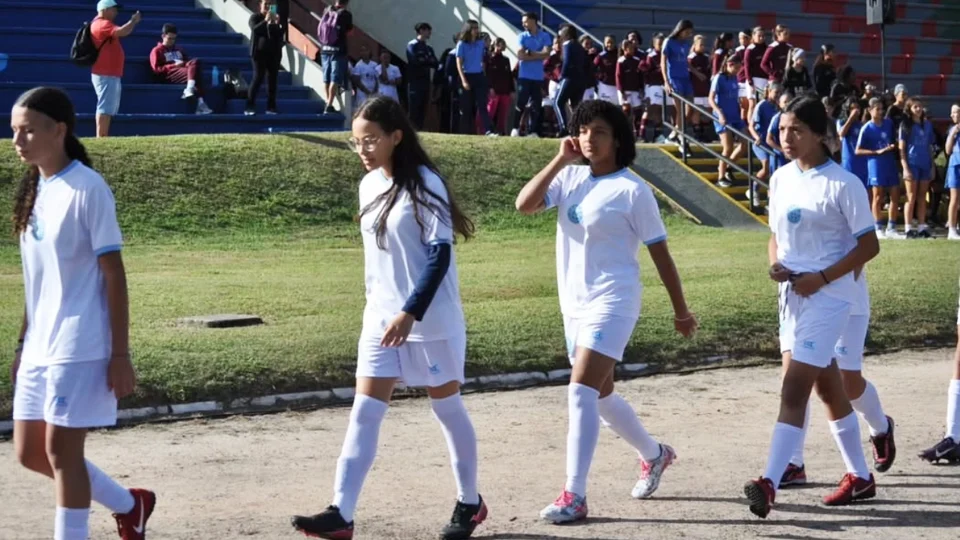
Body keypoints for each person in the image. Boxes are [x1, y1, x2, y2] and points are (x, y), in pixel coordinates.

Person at [290, 96, 487, 540]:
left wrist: (409, 313)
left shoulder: (426, 183)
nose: (363, 149)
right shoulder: (368, 186)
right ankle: (341, 512)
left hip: (429, 321)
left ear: (396, 137)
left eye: (371, 140)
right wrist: (387, 313)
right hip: (380, 320)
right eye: (356, 141)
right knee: (364, 411)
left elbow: (439, 256)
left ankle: (470, 502)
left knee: (447, 408)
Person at [515, 100, 697, 524]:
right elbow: (524, 204)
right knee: (601, 395)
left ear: (617, 139)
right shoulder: (570, 177)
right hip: (574, 304)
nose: (588, 138)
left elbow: (662, 257)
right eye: (582, 130)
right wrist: (560, 158)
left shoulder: (633, 191)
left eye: (598, 131)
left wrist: (681, 310)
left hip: (614, 301)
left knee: (579, 391)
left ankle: (573, 495)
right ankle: (654, 454)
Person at [9, 86, 156, 540]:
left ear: (60, 130)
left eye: (28, 131)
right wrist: (22, 344)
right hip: (40, 345)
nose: (18, 141)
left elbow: (114, 273)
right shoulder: (35, 189)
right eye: (14, 131)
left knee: (61, 453)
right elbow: (39, 283)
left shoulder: (88, 189)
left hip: (80, 342)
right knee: (30, 453)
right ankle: (131, 505)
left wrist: (120, 354)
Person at [744, 95, 881, 519]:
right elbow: (774, 237)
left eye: (796, 130)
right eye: (783, 129)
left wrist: (820, 278)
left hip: (831, 297)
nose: (786, 137)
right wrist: (775, 265)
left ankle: (769, 481)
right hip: (791, 297)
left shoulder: (844, 183)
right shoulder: (781, 178)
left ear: (820, 135)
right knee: (825, 388)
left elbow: (869, 245)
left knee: (794, 388)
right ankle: (860, 476)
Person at [90, 0, 141, 138]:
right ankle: (101, 137)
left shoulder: (101, 23)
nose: (116, 12)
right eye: (113, 9)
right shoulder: (102, 23)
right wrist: (133, 21)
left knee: (107, 107)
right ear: (105, 10)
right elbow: (122, 31)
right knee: (105, 108)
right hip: (105, 73)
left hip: (109, 73)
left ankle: (103, 135)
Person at [856, 97, 903, 239]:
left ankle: (892, 227)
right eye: (877, 109)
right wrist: (876, 152)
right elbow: (858, 151)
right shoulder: (867, 128)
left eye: (882, 109)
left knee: (895, 194)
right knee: (878, 196)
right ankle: (878, 228)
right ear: (870, 110)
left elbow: (892, 139)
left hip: (889, 162)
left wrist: (892, 146)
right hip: (876, 164)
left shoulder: (888, 123)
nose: (881, 112)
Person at [149, 24, 213, 115]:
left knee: (196, 63)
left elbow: (187, 62)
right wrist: (173, 65)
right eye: (169, 38)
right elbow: (156, 69)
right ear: (163, 36)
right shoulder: (156, 50)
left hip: (183, 71)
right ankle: (200, 103)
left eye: (174, 39)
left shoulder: (179, 49)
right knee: (195, 74)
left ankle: (191, 91)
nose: (172, 41)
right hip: (169, 75)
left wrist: (185, 63)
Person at [511, 12, 553, 138]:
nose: (523, 24)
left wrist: (531, 54)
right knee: (521, 102)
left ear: (534, 21)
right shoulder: (522, 36)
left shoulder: (545, 36)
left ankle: (533, 131)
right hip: (524, 76)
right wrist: (538, 55)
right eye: (523, 22)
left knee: (536, 104)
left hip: (538, 77)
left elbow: (547, 54)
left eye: (525, 21)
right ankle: (515, 128)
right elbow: (520, 55)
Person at [899, 97, 935, 238]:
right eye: (915, 107)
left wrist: (932, 166)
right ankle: (908, 228)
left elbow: (929, 146)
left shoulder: (927, 125)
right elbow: (901, 148)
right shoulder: (905, 125)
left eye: (920, 106)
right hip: (912, 163)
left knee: (922, 197)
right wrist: (905, 167)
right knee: (911, 196)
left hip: (924, 163)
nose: (918, 109)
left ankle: (921, 227)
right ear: (909, 109)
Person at [710, 53, 746, 189]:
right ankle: (721, 176)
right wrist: (720, 114)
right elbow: (711, 99)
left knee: (744, 143)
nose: (738, 71)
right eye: (736, 68)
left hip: (735, 115)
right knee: (728, 147)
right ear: (729, 65)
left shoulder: (734, 78)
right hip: (723, 116)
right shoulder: (719, 78)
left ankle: (728, 167)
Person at [454, 20, 496, 136]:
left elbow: (484, 58)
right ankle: (464, 132)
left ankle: (488, 130)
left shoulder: (480, 43)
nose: (476, 30)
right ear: (468, 29)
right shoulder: (461, 44)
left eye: (477, 28)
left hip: (479, 76)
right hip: (467, 76)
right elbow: (459, 63)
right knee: (466, 107)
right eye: (474, 28)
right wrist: (463, 80)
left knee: (482, 105)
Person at [246, 0, 285, 115]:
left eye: (271, 4)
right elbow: (255, 30)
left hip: (274, 54)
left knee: (272, 80)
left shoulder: (276, 19)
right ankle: (250, 105)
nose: (268, 7)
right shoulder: (255, 17)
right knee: (258, 77)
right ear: (260, 5)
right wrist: (266, 21)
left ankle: (271, 107)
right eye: (266, 4)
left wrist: (276, 23)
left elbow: (279, 35)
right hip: (259, 53)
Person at [662, 19, 695, 150]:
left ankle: (674, 133)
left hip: (685, 78)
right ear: (680, 30)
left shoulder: (686, 43)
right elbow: (663, 62)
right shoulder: (669, 42)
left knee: (690, 109)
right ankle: (681, 137)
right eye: (687, 32)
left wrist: (696, 73)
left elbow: (685, 62)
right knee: (680, 110)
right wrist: (666, 82)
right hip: (674, 79)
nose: (689, 35)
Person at [318, 0, 353, 114]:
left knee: (326, 78)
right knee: (335, 78)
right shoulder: (346, 14)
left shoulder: (327, 10)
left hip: (325, 49)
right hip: (339, 50)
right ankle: (329, 105)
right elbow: (349, 32)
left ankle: (328, 103)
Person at [554, 25, 588, 137]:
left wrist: (562, 76)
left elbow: (567, 61)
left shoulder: (567, 44)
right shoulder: (579, 46)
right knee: (575, 106)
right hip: (581, 79)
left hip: (569, 78)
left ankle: (563, 127)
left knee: (558, 102)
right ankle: (577, 130)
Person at [406, 22, 439, 130]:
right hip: (415, 81)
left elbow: (435, 63)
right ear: (421, 31)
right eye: (427, 30)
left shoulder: (429, 48)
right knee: (414, 108)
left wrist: (425, 60)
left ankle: (419, 131)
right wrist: (427, 61)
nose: (430, 33)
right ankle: (411, 131)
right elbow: (414, 61)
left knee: (423, 108)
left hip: (425, 81)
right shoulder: (412, 45)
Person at [750, 82, 782, 183]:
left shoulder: (778, 106)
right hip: (762, 142)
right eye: (776, 92)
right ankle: (754, 188)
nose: (778, 95)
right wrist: (756, 137)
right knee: (766, 165)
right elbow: (751, 126)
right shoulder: (761, 105)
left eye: (780, 93)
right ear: (769, 91)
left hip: (773, 141)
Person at [639, 33, 665, 143]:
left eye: (663, 43)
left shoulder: (665, 55)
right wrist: (659, 70)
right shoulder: (651, 56)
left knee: (658, 110)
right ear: (654, 44)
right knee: (651, 109)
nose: (661, 45)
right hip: (653, 85)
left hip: (662, 85)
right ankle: (642, 135)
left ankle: (657, 135)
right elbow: (647, 71)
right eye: (659, 44)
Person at [837, 97, 868, 187]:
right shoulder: (842, 122)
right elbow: (841, 134)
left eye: (857, 108)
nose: (856, 111)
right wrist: (850, 118)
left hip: (862, 160)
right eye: (852, 108)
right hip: (850, 159)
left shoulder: (861, 124)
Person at [486, 37, 514, 135]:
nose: (500, 47)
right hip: (494, 90)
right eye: (498, 45)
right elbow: (488, 74)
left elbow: (509, 76)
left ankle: (501, 131)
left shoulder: (506, 60)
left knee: (503, 113)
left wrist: (511, 90)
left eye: (502, 45)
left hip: (505, 90)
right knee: (490, 111)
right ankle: (487, 130)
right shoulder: (489, 59)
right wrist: (490, 87)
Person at [616, 39, 644, 136]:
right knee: (626, 111)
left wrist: (640, 88)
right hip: (625, 90)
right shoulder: (621, 61)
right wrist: (621, 90)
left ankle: (637, 132)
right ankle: (624, 132)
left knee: (638, 111)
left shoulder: (637, 60)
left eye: (632, 48)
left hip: (635, 90)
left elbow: (640, 75)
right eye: (629, 48)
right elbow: (618, 77)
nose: (631, 50)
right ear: (624, 49)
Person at [688, 34, 711, 140]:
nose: (703, 47)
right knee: (696, 111)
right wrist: (697, 73)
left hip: (705, 89)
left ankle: (703, 131)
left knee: (707, 112)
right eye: (700, 45)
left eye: (704, 45)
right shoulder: (691, 58)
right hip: (695, 89)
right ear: (695, 45)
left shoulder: (706, 57)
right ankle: (697, 133)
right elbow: (688, 70)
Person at [766, 91, 794, 175]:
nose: (787, 104)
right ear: (779, 103)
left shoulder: (795, 118)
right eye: (785, 102)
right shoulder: (777, 118)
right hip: (779, 157)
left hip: (791, 155)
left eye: (790, 101)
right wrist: (783, 151)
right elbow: (769, 139)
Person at [743, 26, 768, 120]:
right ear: (753, 36)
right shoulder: (750, 49)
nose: (761, 38)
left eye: (763, 36)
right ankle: (751, 127)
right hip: (753, 80)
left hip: (764, 80)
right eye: (759, 35)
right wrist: (750, 81)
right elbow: (747, 66)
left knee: (762, 105)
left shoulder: (766, 48)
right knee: (752, 104)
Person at [943, 104, 960, 241]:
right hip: (955, 165)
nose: (952, 115)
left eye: (955, 112)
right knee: (954, 198)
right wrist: (953, 134)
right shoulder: (952, 129)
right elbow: (948, 150)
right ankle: (952, 230)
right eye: (952, 112)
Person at [594, 34, 619, 106]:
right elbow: (593, 68)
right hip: (604, 86)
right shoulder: (601, 55)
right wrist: (599, 77)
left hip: (616, 86)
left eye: (612, 42)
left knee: (616, 107)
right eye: (607, 42)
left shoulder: (619, 54)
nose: (609, 44)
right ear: (604, 43)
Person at [351, 44, 378, 109]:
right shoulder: (358, 65)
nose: (364, 52)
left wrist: (375, 90)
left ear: (369, 52)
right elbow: (357, 81)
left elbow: (377, 79)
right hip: (362, 93)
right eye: (362, 51)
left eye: (366, 50)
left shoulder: (374, 64)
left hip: (373, 92)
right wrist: (366, 91)